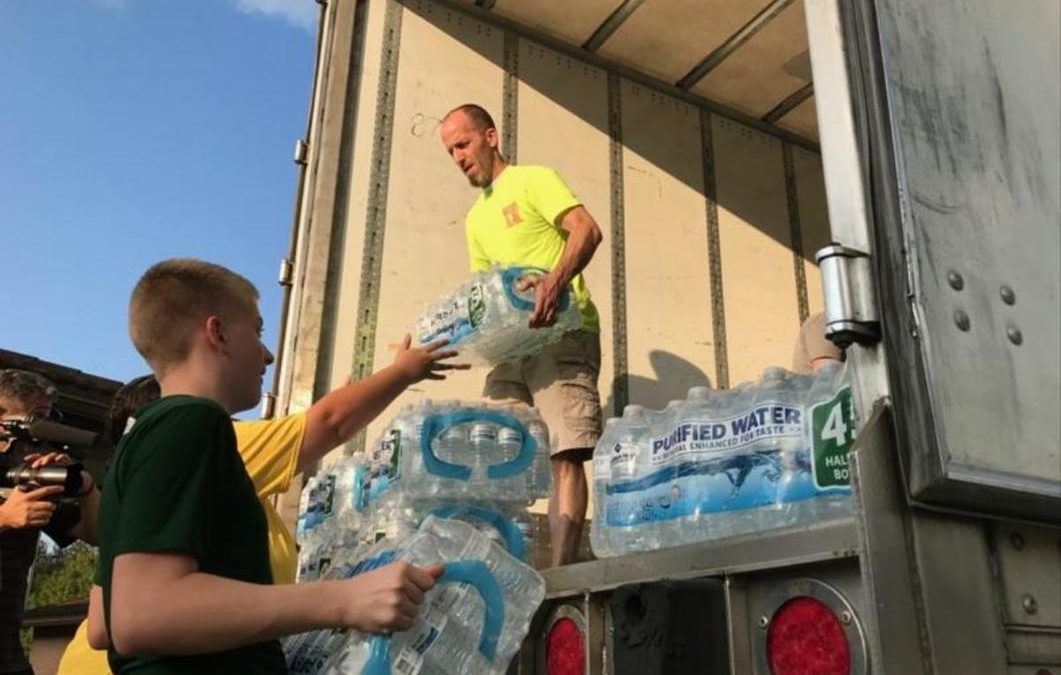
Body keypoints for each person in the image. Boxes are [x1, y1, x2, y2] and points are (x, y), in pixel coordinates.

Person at [88, 259, 459, 674]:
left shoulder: (134, 447)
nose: (267, 354)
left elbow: (103, 626)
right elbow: (141, 616)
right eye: (258, 330)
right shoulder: (192, 422)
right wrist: (344, 600)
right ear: (218, 333)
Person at [439, 104, 605, 566]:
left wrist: (553, 282)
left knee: (564, 451)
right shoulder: (475, 220)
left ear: (490, 137)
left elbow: (587, 230)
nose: (457, 157)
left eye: (463, 143)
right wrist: (457, 343)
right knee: (489, 451)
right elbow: (483, 293)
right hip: (511, 346)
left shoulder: (533, 179)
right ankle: (499, 568)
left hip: (561, 332)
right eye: (450, 151)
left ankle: (561, 575)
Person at [0, 369, 99, 675]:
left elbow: (95, 534)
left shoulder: (27, 474)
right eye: (33, 418)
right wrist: (5, 517)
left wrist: (84, 487)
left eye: (48, 416)